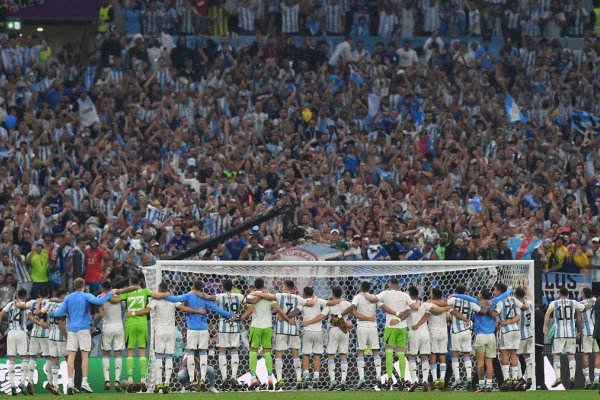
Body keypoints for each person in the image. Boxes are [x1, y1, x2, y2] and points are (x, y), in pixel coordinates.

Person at [131, 281, 207, 394]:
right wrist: (197, 310)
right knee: (169, 357)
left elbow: (146, 310)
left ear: (159, 290)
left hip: (159, 332)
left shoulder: (155, 299)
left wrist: (132, 313)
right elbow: (184, 308)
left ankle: (157, 383)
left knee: (158, 357)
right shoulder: (173, 299)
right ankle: (166, 382)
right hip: (171, 331)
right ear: (167, 289)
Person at [162, 280, 234, 391]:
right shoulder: (204, 298)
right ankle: (203, 380)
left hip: (192, 330)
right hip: (203, 330)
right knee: (203, 353)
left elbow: (174, 299)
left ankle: (191, 380)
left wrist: (162, 295)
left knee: (190, 352)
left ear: (192, 285)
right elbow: (217, 309)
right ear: (201, 288)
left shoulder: (188, 295)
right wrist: (230, 315)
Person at [50, 278, 118, 394]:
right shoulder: (87, 296)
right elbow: (98, 301)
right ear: (84, 285)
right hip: (83, 329)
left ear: (74, 286)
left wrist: (51, 313)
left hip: (71, 330)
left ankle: (70, 384)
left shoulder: (68, 298)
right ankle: (84, 383)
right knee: (84, 356)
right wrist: (111, 292)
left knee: (71, 356)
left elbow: (58, 313)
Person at [249, 279, 312, 390]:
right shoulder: (298, 298)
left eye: (283, 286)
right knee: (295, 354)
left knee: (279, 354)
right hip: (293, 328)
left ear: (285, 287)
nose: (282, 288)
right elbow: (310, 303)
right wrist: (314, 300)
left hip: (281, 329)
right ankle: (298, 380)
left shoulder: (279, 295)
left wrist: (255, 292)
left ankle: (280, 379)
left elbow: (267, 296)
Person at [451, 286, 511, 392]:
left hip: (480, 336)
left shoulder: (477, 302)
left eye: (479, 293)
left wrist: (453, 295)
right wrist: (510, 288)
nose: (477, 294)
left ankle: (481, 385)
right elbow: (505, 295)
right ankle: (489, 385)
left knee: (480, 362)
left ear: (481, 296)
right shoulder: (493, 301)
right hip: (491, 336)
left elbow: (465, 297)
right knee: (489, 362)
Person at [241, 278, 296, 390]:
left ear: (255, 286)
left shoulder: (251, 295)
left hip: (256, 326)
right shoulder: (269, 296)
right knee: (267, 352)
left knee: (253, 351)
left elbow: (250, 309)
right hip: (268, 327)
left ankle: (253, 379)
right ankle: (270, 378)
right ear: (263, 285)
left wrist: (241, 317)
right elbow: (278, 309)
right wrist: (288, 319)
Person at [300, 286, 351, 391]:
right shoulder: (346, 304)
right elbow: (352, 315)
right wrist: (349, 322)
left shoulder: (327, 303)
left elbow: (322, 316)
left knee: (329, 355)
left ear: (332, 293)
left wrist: (308, 322)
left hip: (331, 331)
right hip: (343, 331)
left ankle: (332, 380)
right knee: (343, 355)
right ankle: (342, 380)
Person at [375, 278, 419, 389]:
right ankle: (403, 379)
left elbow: (377, 301)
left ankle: (389, 378)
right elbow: (412, 308)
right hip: (402, 328)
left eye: (388, 284)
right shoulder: (405, 295)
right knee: (401, 353)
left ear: (390, 284)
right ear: (398, 285)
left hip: (390, 326)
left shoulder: (385, 294)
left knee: (389, 352)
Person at [543, 286, 585, 389]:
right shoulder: (573, 302)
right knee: (571, 355)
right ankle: (572, 376)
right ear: (568, 294)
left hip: (558, 333)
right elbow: (582, 310)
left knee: (556, 355)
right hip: (571, 332)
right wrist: (579, 330)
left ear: (559, 293)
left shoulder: (554, 303)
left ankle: (558, 377)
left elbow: (547, 314)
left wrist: (545, 325)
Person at [344, 281, 382, 389]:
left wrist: (342, 314)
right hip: (373, 327)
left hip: (362, 327)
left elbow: (352, 308)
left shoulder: (357, 297)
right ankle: (378, 376)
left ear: (360, 287)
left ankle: (362, 378)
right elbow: (381, 305)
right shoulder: (374, 297)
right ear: (370, 288)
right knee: (375, 351)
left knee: (360, 351)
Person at [492, 283, 527, 390]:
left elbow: (494, 314)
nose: (494, 292)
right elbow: (519, 315)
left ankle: (507, 380)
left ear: (499, 291)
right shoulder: (513, 300)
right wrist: (510, 322)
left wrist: (488, 309)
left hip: (505, 331)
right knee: (514, 354)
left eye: (495, 290)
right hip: (516, 330)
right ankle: (516, 379)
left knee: (504, 354)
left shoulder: (499, 302)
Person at [214, 278, 246, 390]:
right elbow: (250, 302)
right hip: (235, 326)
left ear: (222, 287)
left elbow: (210, 299)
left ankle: (224, 378)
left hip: (223, 326)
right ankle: (233, 376)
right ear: (232, 287)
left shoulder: (219, 296)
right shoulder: (239, 296)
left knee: (222, 350)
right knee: (234, 350)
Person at [447, 285, 480, 390]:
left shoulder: (452, 299)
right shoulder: (470, 302)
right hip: (467, 331)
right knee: (466, 355)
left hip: (456, 331)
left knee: (454, 355)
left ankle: (457, 379)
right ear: (465, 292)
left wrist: (450, 313)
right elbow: (480, 310)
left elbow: (444, 307)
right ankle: (469, 378)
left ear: (456, 291)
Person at [0, 288, 31, 395]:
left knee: (11, 358)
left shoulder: (10, 304)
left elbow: (0, 315)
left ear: (17, 295)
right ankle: (22, 382)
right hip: (22, 332)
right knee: (24, 358)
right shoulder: (27, 305)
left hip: (11, 332)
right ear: (26, 295)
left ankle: (12, 384)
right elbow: (32, 317)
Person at [98, 280, 126, 392]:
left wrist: (94, 325)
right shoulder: (119, 297)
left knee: (106, 354)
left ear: (102, 288)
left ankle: (107, 381)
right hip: (119, 326)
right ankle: (117, 381)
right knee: (118, 354)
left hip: (107, 327)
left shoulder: (100, 297)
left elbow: (100, 314)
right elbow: (123, 309)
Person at [299, 286, 328, 389]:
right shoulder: (319, 300)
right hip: (318, 331)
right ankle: (316, 378)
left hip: (307, 331)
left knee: (305, 355)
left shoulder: (302, 302)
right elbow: (328, 304)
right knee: (317, 356)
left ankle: (306, 377)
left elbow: (297, 311)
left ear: (304, 293)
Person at [42, 290, 68, 395]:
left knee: (54, 360)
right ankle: (71, 385)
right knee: (68, 359)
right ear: (62, 296)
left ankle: (55, 386)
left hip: (51, 335)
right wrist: (67, 336)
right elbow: (61, 323)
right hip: (60, 336)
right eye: (66, 294)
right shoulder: (63, 305)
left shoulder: (50, 304)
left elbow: (41, 312)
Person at [26, 286, 52, 394]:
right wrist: (42, 323)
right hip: (46, 333)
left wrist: (38, 323)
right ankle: (51, 383)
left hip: (34, 333)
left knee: (32, 358)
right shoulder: (51, 302)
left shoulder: (32, 302)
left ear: (39, 295)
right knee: (49, 358)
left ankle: (30, 381)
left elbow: (29, 315)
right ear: (49, 294)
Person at [514, 286, 535, 391]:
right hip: (530, 334)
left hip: (520, 335)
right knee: (528, 356)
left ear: (516, 296)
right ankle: (529, 377)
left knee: (515, 356)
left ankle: (519, 378)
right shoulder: (530, 303)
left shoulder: (518, 306)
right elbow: (530, 296)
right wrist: (527, 286)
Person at [579, 287, 598, 389]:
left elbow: (579, 319)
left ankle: (587, 381)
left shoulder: (581, 303)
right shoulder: (597, 301)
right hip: (597, 331)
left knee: (585, 355)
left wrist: (578, 331)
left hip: (587, 331)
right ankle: (596, 380)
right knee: (598, 355)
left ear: (584, 294)